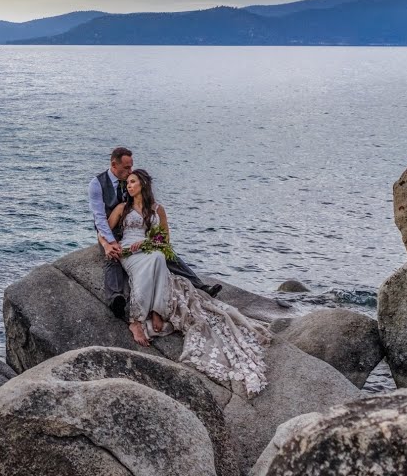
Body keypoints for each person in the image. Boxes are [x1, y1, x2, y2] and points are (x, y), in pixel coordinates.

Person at [109, 169, 271, 395]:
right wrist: (111, 246)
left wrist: (148, 244)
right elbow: (105, 230)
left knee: (158, 257)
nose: (129, 186)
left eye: (133, 182)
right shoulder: (122, 208)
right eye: (127, 183)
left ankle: (157, 309)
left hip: (150, 250)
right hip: (129, 251)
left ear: (143, 184)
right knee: (153, 262)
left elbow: (164, 240)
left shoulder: (157, 210)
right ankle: (136, 320)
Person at [87, 147, 220, 318]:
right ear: (114, 164)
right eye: (126, 168)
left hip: (133, 230)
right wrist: (108, 243)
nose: (130, 172)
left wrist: (150, 235)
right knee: (112, 259)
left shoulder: (130, 181)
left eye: (131, 167)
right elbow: (99, 219)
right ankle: (115, 299)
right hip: (109, 229)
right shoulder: (97, 184)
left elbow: (143, 208)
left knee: (165, 254)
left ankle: (200, 286)